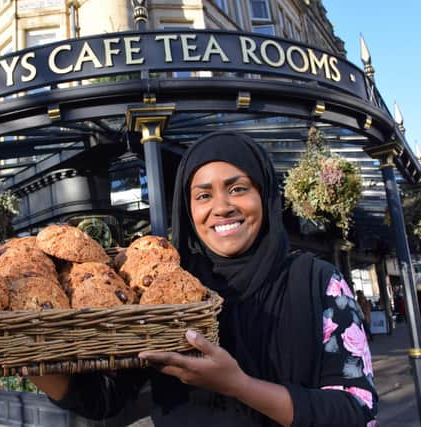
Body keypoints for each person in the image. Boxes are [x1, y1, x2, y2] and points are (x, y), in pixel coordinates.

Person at [29, 131, 377, 426]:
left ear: (265, 195)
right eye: (203, 195)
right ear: (187, 208)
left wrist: (238, 385)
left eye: (238, 188)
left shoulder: (318, 282)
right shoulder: (162, 292)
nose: (222, 206)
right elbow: (105, 398)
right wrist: (29, 360)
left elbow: (357, 408)